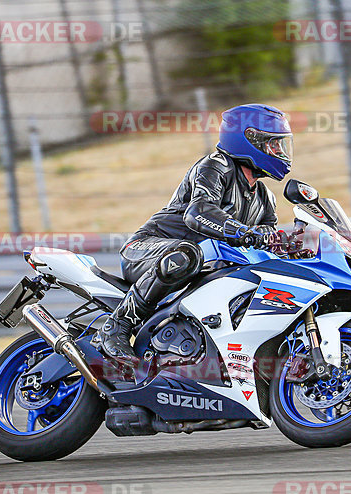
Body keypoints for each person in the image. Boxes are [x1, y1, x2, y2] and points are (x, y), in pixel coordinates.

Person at [92, 103, 294, 367]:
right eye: (274, 145)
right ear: (250, 139)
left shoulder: (265, 198)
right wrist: (242, 232)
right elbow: (198, 211)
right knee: (187, 254)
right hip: (147, 249)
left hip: (193, 267)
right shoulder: (216, 166)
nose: (280, 152)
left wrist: (290, 246)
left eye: (282, 146)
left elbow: (267, 236)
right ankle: (116, 326)